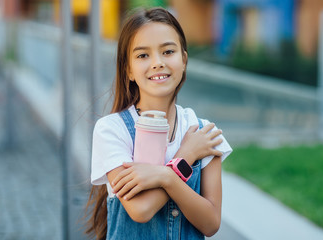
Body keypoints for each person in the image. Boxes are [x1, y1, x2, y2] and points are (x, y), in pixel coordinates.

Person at [85, 7, 232, 240]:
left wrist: (164, 177)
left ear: (183, 60)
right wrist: (184, 157)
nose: (157, 63)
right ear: (128, 70)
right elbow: (141, 210)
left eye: (168, 51)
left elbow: (211, 223)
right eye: (143, 55)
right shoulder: (112, 130)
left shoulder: (203, 132)